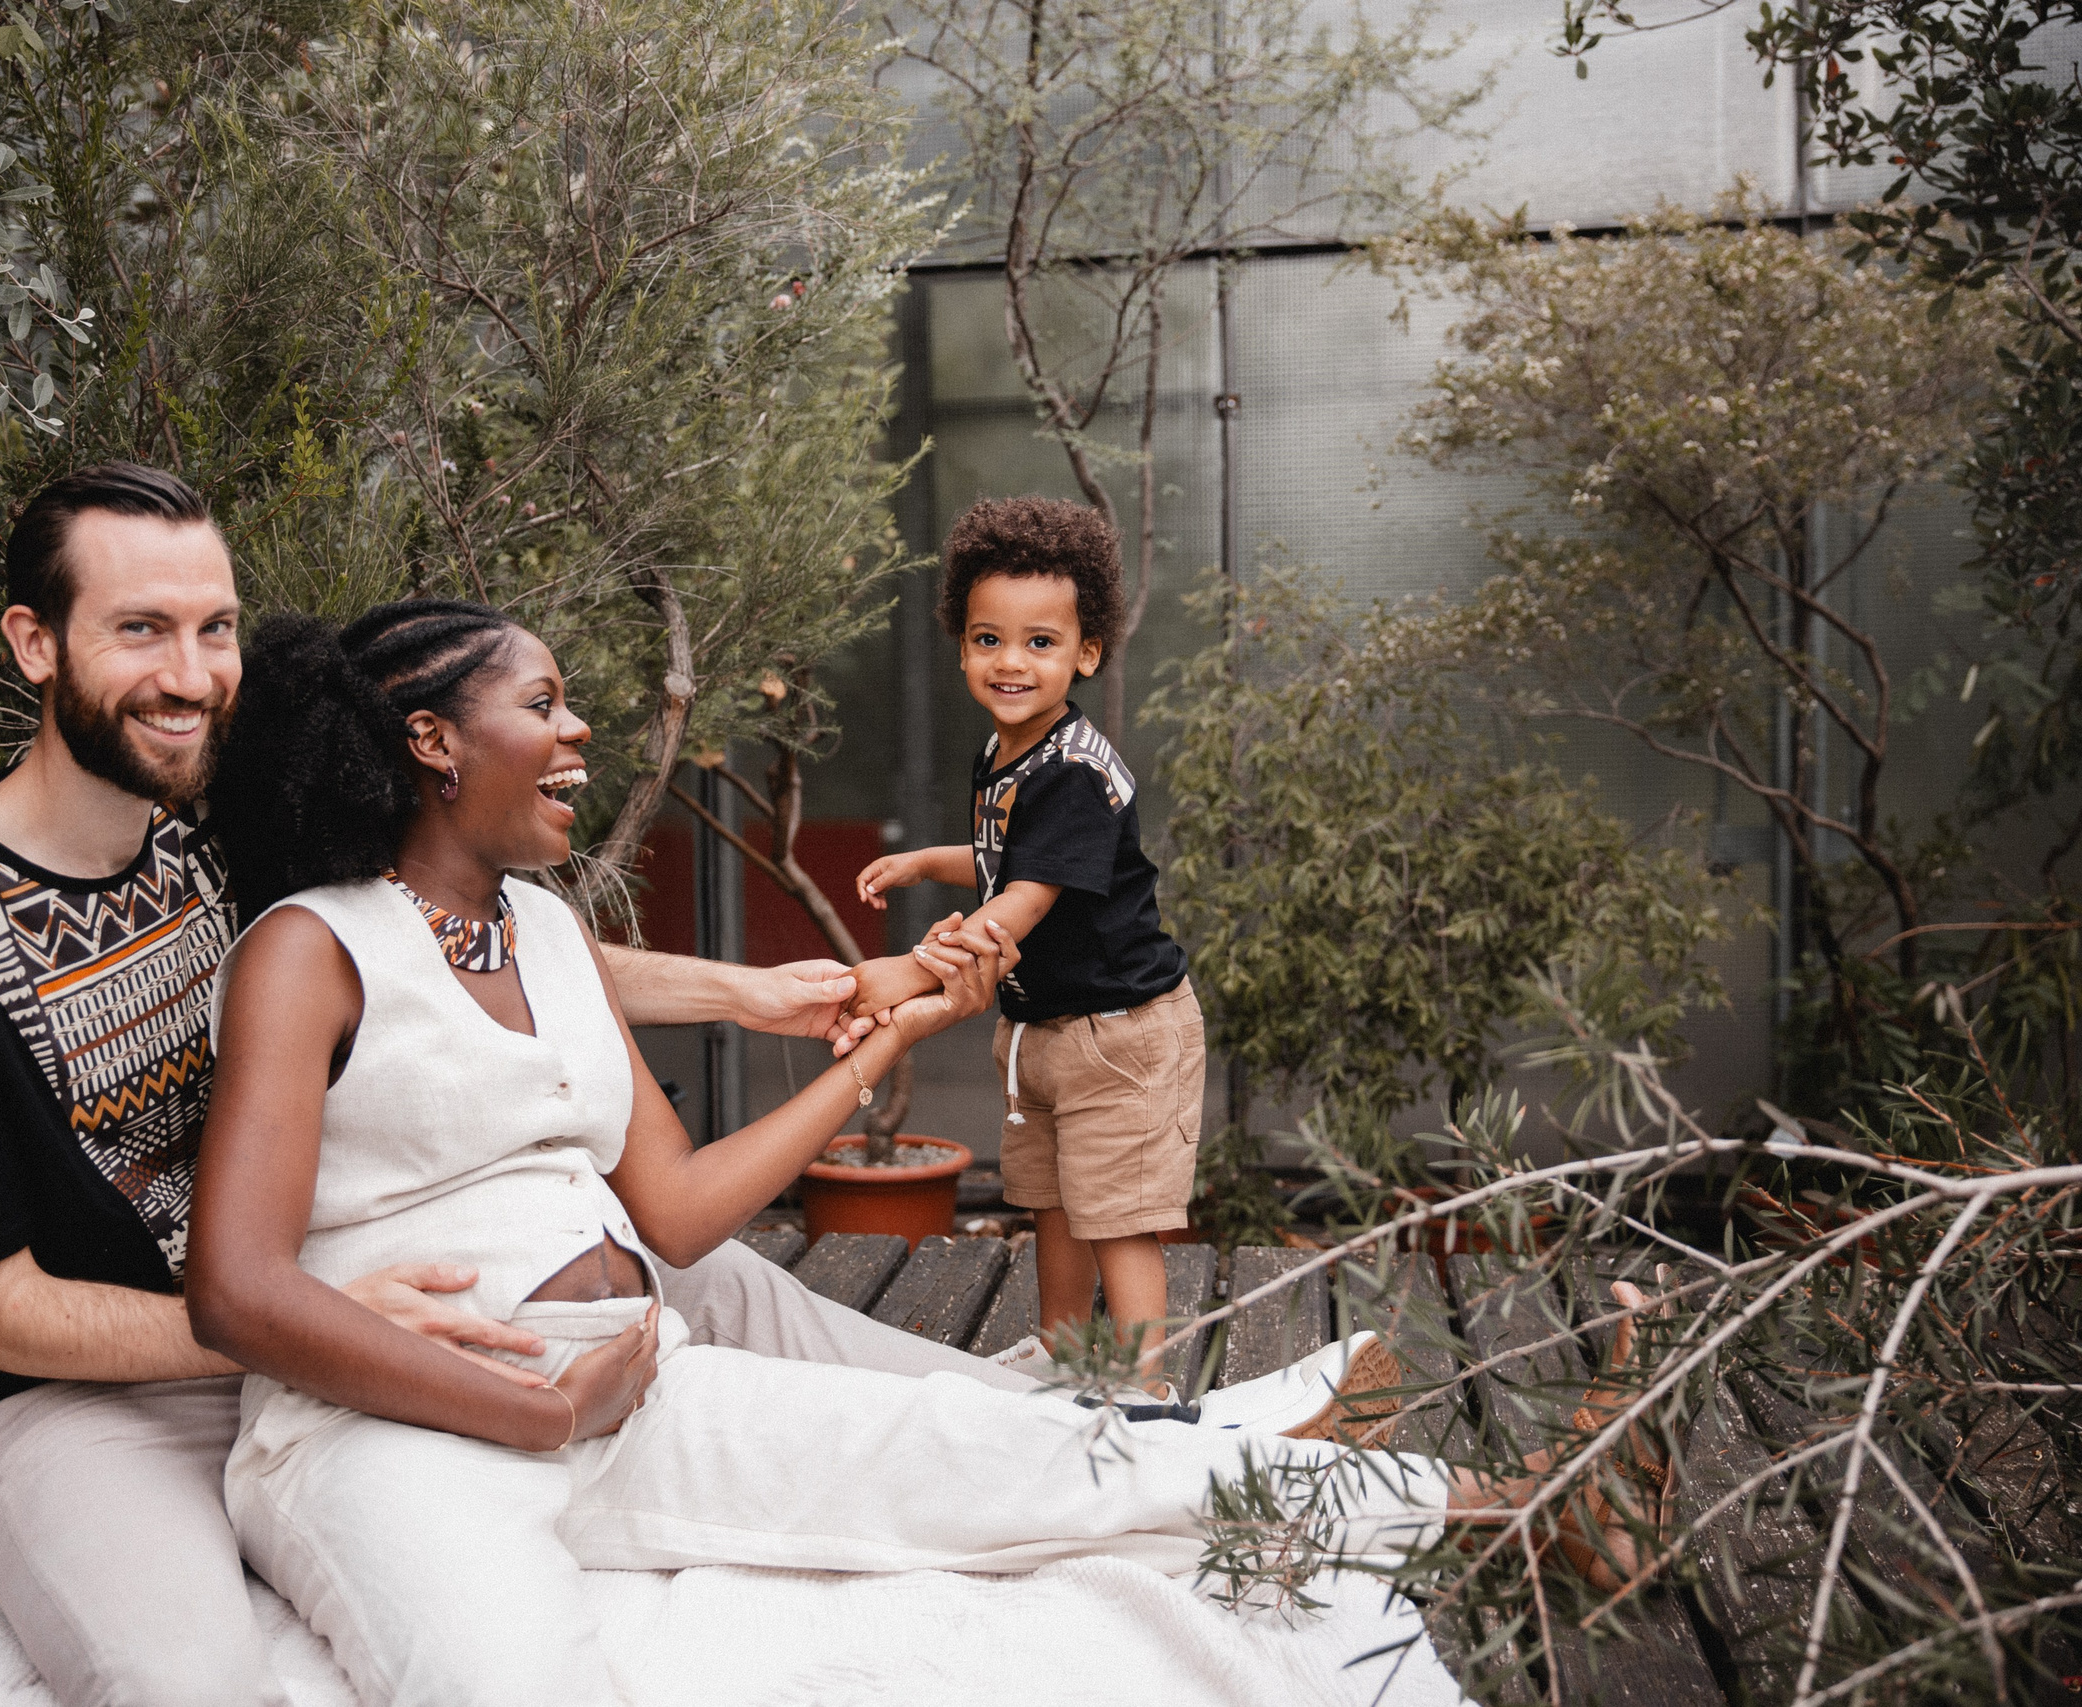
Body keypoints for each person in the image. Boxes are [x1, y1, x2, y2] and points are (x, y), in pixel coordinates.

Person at [184, 599, 1675, 1707]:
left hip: (630, 1378)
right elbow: (237, 1288)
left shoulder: (553, 933)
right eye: (547, 702)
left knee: (1012, 1457)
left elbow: (685, 1210)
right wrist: (520, 1409)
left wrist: (887, 1045)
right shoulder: (311, 950)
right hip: (389, 1435)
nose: (581, 733)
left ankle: (1520, 1511)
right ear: (432, 737)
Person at [0, 464, 1068, 1707]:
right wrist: (324, 1327)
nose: (194, 675)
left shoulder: (204, 837)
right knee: (183, 1682)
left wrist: (748, 994)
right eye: (139, 630)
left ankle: (1083, 1431)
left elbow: (431, 950)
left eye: (214, 629)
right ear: (34, 644)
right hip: (75, 1402)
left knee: (708, 1268)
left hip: (300, 1310)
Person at [850, 495, 1204, 1393]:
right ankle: (1064, 1354)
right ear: (963, 642)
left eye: (1040, 642)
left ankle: (1144, 1391)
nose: (1011, 662)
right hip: (1047, 1031)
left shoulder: (1074, 774)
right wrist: (926, 863)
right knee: (1050, 1202)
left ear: (1086, 652)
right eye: (988, 639)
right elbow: (1004, 858)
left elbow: (1024, 901)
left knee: (1118, 1216)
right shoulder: (1010, 749)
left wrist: (913, 966)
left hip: (1119, 1036)